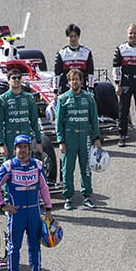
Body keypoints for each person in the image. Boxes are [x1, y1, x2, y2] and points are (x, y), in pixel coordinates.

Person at [0, 134, 54, 271]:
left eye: (25, 147)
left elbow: (44, 189)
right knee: (14, 247)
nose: (22, 150)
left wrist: (48, 209)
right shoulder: (8, 166)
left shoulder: (38, 165)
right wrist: (2, 205)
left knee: (35, 245)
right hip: (16, 213)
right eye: (19, 147)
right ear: (15, 149)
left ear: (29, 149)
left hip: (34, 211)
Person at [54, 67, 101, 210]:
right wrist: (61, 141)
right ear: (68, 82)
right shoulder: (63, 99)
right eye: (72, 79)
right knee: (67, 168)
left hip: (85, 136)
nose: (75, 82)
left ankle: (87, 196)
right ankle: (68, 197)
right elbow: (58, 122)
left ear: (81, 81)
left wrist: (97, 137)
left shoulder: (88, 97)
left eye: (77, 79)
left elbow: (94, 119)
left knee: (86, 167)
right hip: (69, 137)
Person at [0, 69, 41, 152]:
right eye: (13, 78)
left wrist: (39, 141)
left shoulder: (29, 97)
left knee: (26, 162)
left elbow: (34, 121)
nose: (17, 80)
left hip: (25, 137)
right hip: (10, 139)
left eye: (19, 78)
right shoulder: (2, 99)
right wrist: (1, 144)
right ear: (8, 81)